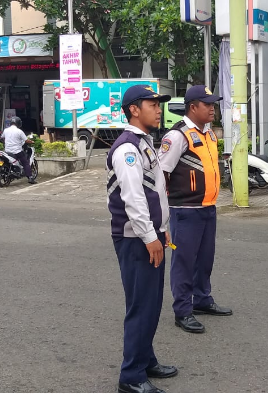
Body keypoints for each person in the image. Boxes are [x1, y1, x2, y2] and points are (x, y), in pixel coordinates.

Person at [107, 85, 177, 394]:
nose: (159, 108)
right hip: (136, 239)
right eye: (153, 104)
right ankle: (131, 376)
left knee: (152, 303)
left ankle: (145, 360)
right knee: (141, 306)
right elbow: (133, 199)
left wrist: (163, 229)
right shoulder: (127, 149)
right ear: (134, 109)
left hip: (151, 234)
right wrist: (150, 236)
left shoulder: (143, 142)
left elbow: (155, 191)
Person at [159, 85, 232, 335]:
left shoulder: (209, 134)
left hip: (207, 207)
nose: (212, 108)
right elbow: (162, 174)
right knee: (184, 262)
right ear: (193, 107)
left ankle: (202, 299)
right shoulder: (177, 136)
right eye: (207, 104)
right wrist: (162, 212)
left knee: (205, 259)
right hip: (185, 210)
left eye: (213, 104)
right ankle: (182, 310)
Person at [0, 116, 35, 184]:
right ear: (19, 123)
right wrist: (32, 142)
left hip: (7, 151)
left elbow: (2, 137)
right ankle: (30, 178)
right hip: (17, 151)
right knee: (26, 163)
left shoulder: (6, 130)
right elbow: (26, 140)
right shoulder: (19, 131)